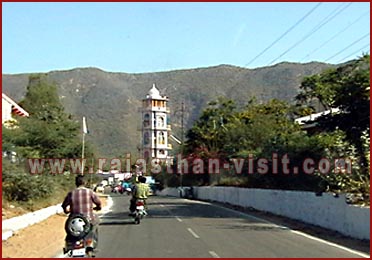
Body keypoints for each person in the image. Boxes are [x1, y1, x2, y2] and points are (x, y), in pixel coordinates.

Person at [62, 175, 102, 247]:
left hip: (73, 220)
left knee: (68, 228)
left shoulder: (71, 193)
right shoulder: (90, 192)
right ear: (85, 182)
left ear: (75, 183)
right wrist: (98, 207)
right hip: (88, 219)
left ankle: (69, 243)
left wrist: (66, 211)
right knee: (96, 222)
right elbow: (98, 202)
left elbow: (64, 205)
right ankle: (93, 242)